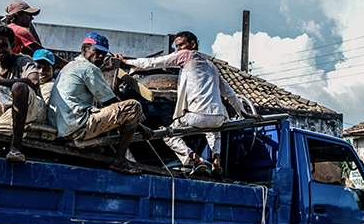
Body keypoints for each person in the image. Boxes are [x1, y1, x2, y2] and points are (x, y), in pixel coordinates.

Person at [114, 31, 247, 166]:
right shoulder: (212, 66)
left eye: (181, 45)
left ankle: (193, 157)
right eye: (176, 46)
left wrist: (127, 61)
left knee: (168, 135)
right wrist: (244, 112)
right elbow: (230, 94)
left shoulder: (186, 55)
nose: (178, 49)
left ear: (193, 44)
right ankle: (216, 158)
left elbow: (154, 62)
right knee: (213, 132)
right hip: (218, 117)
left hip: (196, 116)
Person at [47, 32, 144, 174]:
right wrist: (141, 127)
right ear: (85, 49)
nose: (101, 57)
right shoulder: (89, 68)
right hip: (76, 127)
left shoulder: (70, 66)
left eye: (103, 54)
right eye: (97, 52)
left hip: (62, 127)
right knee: (133, 107)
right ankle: (120, 161)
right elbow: (110, 101)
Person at [0, 25, 46, 163]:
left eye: (3, 45)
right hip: (9, 113)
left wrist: (1, 82)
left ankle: (15, 148)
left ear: (12, 45)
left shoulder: (23, 60)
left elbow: (33, 81)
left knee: (18, 86)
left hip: (33, 110)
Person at [0, 0, 43, 85]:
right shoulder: (19, 31)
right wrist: (63, 66)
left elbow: (34, 54)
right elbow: (42, 53)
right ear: (18, 15)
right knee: (19, 86)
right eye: (28, 15)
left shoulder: (7, 34)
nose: (31, 18)